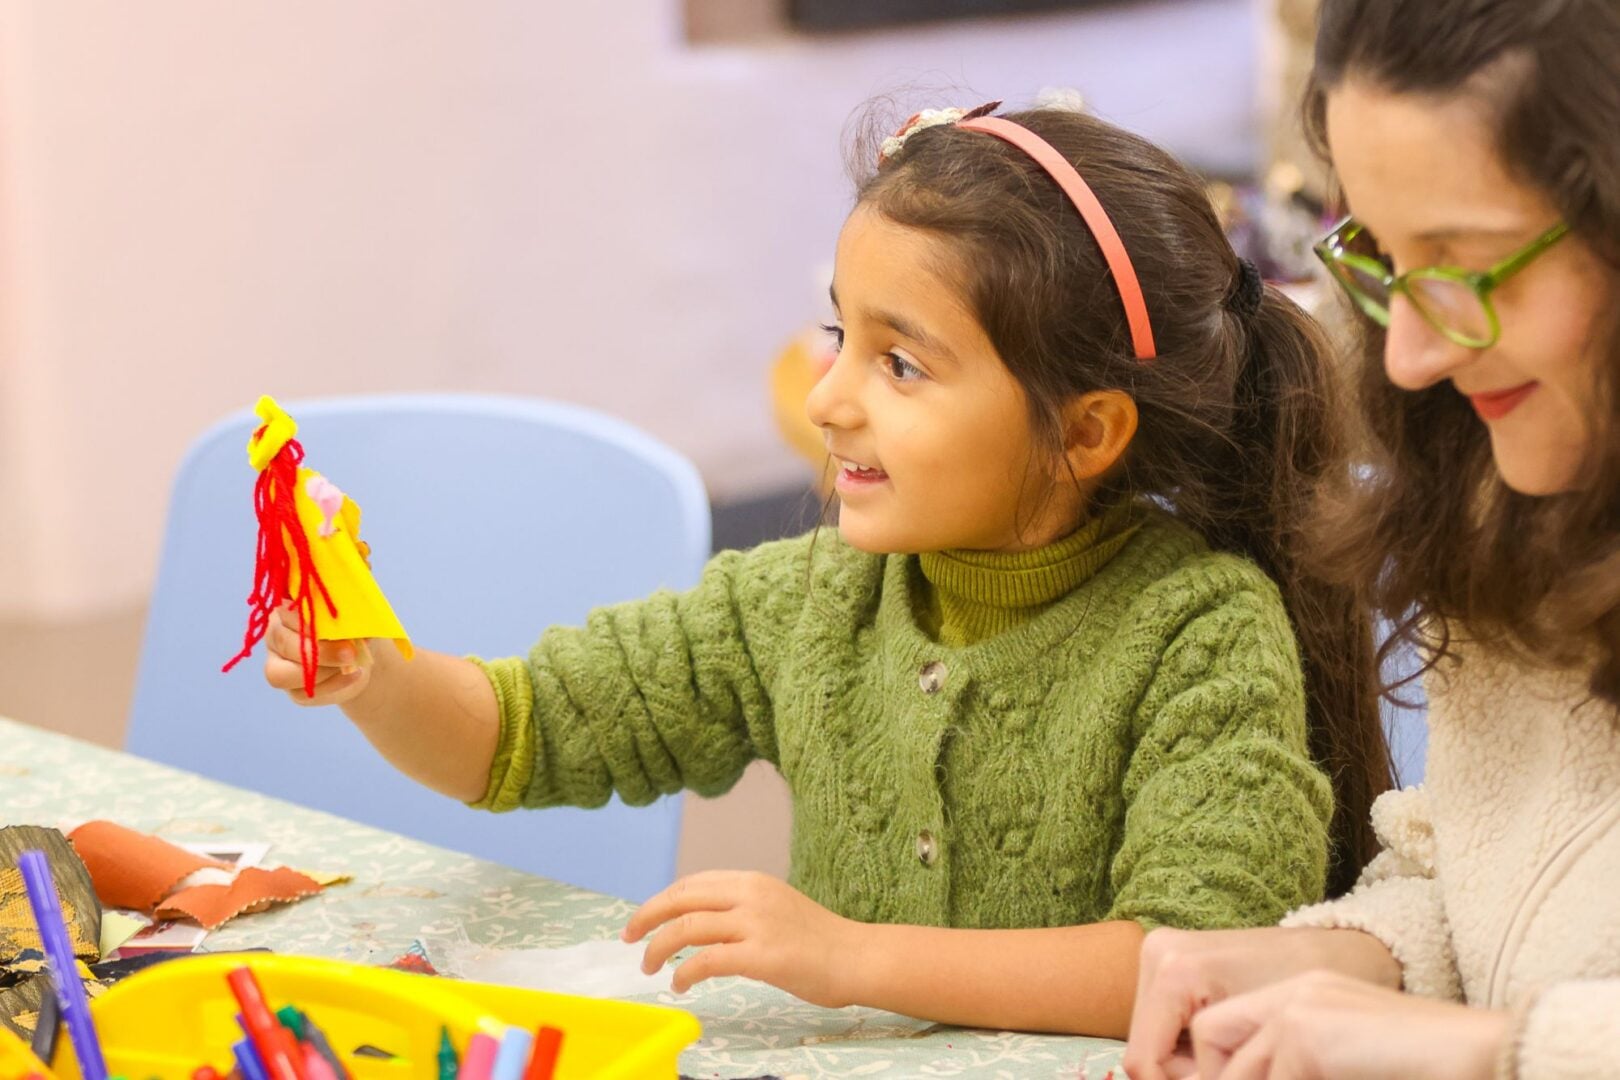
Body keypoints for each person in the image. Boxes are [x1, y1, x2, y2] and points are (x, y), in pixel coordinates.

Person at [263, 102, 1388, 1037]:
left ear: (1084, 433)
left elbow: (1194, 964)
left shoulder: (1202, 631)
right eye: (838, 335)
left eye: (900, 362)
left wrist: (852, 956)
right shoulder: (810, 599)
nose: (828, 399)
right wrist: (382, 671)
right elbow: (521, 732)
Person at [1123, 1, 1620, 1076]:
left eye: (1468, 262)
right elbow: (1487, 877)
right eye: (1386, 258)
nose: (1409, 357)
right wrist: (1347, 959)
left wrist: (1489, 1052)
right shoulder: (1502, 495)